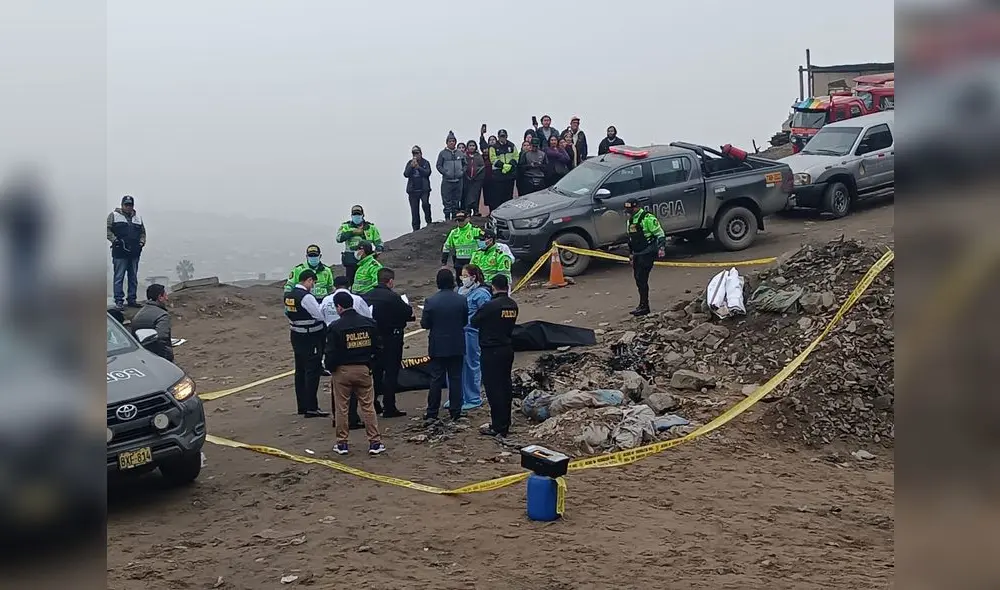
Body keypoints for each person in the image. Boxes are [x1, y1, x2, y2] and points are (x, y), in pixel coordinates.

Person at [325, 291, 386, 456]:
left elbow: (331, 353)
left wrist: (332, 368)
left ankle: (342, 443)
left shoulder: (335, 327)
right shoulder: (369, 323)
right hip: (364, 369)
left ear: (339, 307)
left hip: (342, 370)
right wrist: (371, 365)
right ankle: (375, 442)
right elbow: (379, 348)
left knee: (342, 408)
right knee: (368, 406)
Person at [362, 267, 414, 418]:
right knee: (391, 372)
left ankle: (373, 402)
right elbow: (407, 312)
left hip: (373, 339)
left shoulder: (367, 296)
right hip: (392, 338)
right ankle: (389, 406)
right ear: (390, 281)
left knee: (375, 372)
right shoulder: (393, 297)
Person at [320, 275, 371, 428]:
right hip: (354, 343)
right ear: (349, 286)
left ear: (334, 286)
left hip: (333, 342)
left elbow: (320, 316)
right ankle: (353, 418)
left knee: (338, 388)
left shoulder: (326, 300)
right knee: (356, 389)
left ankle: (338, 418)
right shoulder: (357, 300)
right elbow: (368, 318)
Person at [472, 273, 519, 437]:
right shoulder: (512, 305)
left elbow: (474, 321)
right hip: (507, 348)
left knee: (493, 388)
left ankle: (498, 426)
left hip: (491, 350)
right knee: (505, 386)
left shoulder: (490, 306)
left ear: (493, 287)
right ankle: (505, 422)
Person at [421, 268, 468, 424]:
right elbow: (465, 321)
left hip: (438, 344)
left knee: (436, 379)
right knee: (456, 378)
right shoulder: (461, 300)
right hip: (456, 343)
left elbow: (425, 324)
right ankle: (456, 410)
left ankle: (432, 411)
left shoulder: (431, 301)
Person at [284, 269, 331, 417]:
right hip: (311, 336)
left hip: (296, 335)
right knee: (312, 371)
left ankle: (302, 406)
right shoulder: (306, 297)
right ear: (309, 280)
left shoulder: (289, 295)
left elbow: (288, 313)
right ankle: (311, 407)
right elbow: (319, 315)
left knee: (300, 370)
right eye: (313, 282)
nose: (313, 286)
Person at [623, 197, 666, 316]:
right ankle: (642, 305)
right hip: (637, 253)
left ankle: (644, 306)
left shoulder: (648, 218)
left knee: (642, 278)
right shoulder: (630, 220)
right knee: (638, 279)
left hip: (647, 252)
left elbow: (660, 234)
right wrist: (631, 254)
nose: (629, 212)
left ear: (637, 207)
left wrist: (661, 248)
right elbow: (631, 239)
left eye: (631, 209)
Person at [457, 264, 491, 411]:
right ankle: (458, 396)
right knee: (458, 365)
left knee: (472, 364)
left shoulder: (481, 294)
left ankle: (473, 397)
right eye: (462, 276)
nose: (463, 279)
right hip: (459, 332)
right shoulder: (460, 291)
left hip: (472, 333)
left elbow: (486, 315)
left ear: (473, 277)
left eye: (466, 276)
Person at [107, 195, 146, 311]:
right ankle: (119, 301)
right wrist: (114, 240)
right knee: (119, 277)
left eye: (130, 205)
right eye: (126, 205)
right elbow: (106, 229)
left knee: (133, 277)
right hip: (120, 252)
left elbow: (143, 233)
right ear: (122, 205)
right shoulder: (114, 216)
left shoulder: (138, 218)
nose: (128, 207)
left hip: (134, 252)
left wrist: (141, 243)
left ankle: (132, 299)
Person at [336, 205, 383, 285]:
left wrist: (378, 250)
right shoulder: (346, 226)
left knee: (367, 280)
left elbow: (379, 242)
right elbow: (338, 239)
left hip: (366, 261)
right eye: (354, 214)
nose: (356, 216)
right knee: (350, 283)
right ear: (351, 215)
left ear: (363, 215)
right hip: (351, 261)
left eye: (358, 214)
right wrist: (351, 232)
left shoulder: (371, 228)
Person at [130, 283, 174, 362]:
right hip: (159, 357)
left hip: (142, 356)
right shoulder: (162, 315)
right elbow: (162, 339)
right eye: (165, 295)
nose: (167, 298)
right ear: (160, 297)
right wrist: (169, 359)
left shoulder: (138, 314)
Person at [436, 131, 467, 221]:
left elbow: (465, 164)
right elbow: (438, 165)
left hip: (458, 180)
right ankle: (447, 217)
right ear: (447, 142)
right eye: (450, 141)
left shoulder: (460, 153)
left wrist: (462, 172)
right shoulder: (442, 153)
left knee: (456, 199)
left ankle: (454, 217)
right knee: (446, 199)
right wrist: (445, 172)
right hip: (447, 181)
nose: (452, 143)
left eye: (453, 141)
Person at [440, 210, 480, 280]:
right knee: (459, 282)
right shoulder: (454, 232)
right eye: (457, 220)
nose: (459, 222)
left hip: (472, 263)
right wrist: (444, 263)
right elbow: (446, 247)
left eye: (461, 220)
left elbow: (483, 246)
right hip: (459, 264)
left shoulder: (475, 230)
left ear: (468, 219)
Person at [404, 145, 433, 231]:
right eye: (414, 153)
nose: (415, 155)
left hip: (424, 190)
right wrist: (411, 167)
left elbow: (427, 173)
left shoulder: (425, 162)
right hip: (413, 191)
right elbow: (406, 174)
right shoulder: (410, 163)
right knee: (414, 210)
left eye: (417, 153)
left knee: (425, 204)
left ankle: (429, 221)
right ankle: (416, 228)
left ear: (421, 153)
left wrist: (418, 168)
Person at [487, 129, 518, 209]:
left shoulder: (511, 145)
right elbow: (493, 159)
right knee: (498, 197)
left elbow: (516, 156)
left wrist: (510, 165)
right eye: (501, 136)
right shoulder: (493, 147)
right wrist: (503, 165)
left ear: (506, 136)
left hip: (510, 175)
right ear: (498, 137)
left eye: (504, 136)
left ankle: (508, 212)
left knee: (508, 196)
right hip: (498, 175)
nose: (502, 138)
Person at [462, 140, 486, 216]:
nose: (472, 147)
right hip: (467, 179)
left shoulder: (478, 156)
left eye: (473, 146)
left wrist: (477, 175)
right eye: (470, 146)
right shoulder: (464, 156)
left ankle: (476, 210)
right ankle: (467, 210)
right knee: (467, 195)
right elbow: (463, 167)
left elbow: (482, 167)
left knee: (476, 195)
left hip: (477, 180)